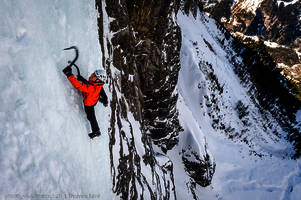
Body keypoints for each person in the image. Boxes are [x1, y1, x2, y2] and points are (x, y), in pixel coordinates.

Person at [63, 66, 108, 139]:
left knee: (91, 117)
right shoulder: (98, 85)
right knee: (92, 114)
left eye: (94, 76)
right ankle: (101, 100)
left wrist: (69, 75)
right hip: (94, 99)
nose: (91, 75)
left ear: (98, 80)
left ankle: (96, 131)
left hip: (89, 104)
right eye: (93, 74)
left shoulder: (91, 88)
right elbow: (90, 84)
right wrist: (82, 79)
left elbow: (79, 86)